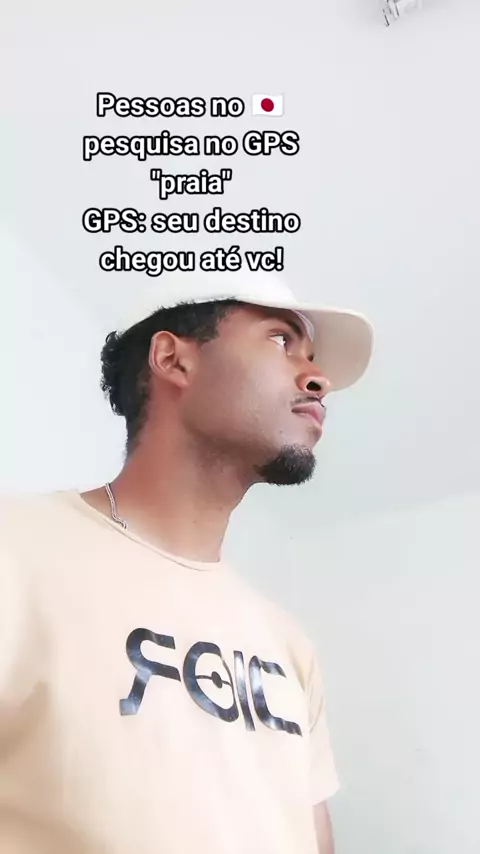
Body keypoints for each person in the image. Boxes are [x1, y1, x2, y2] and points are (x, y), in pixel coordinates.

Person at [0, 270, 374, 854]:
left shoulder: (289, 645)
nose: (318, 379)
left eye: (312, 357)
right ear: (174, 359)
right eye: (281, 340)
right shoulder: (16, 548)